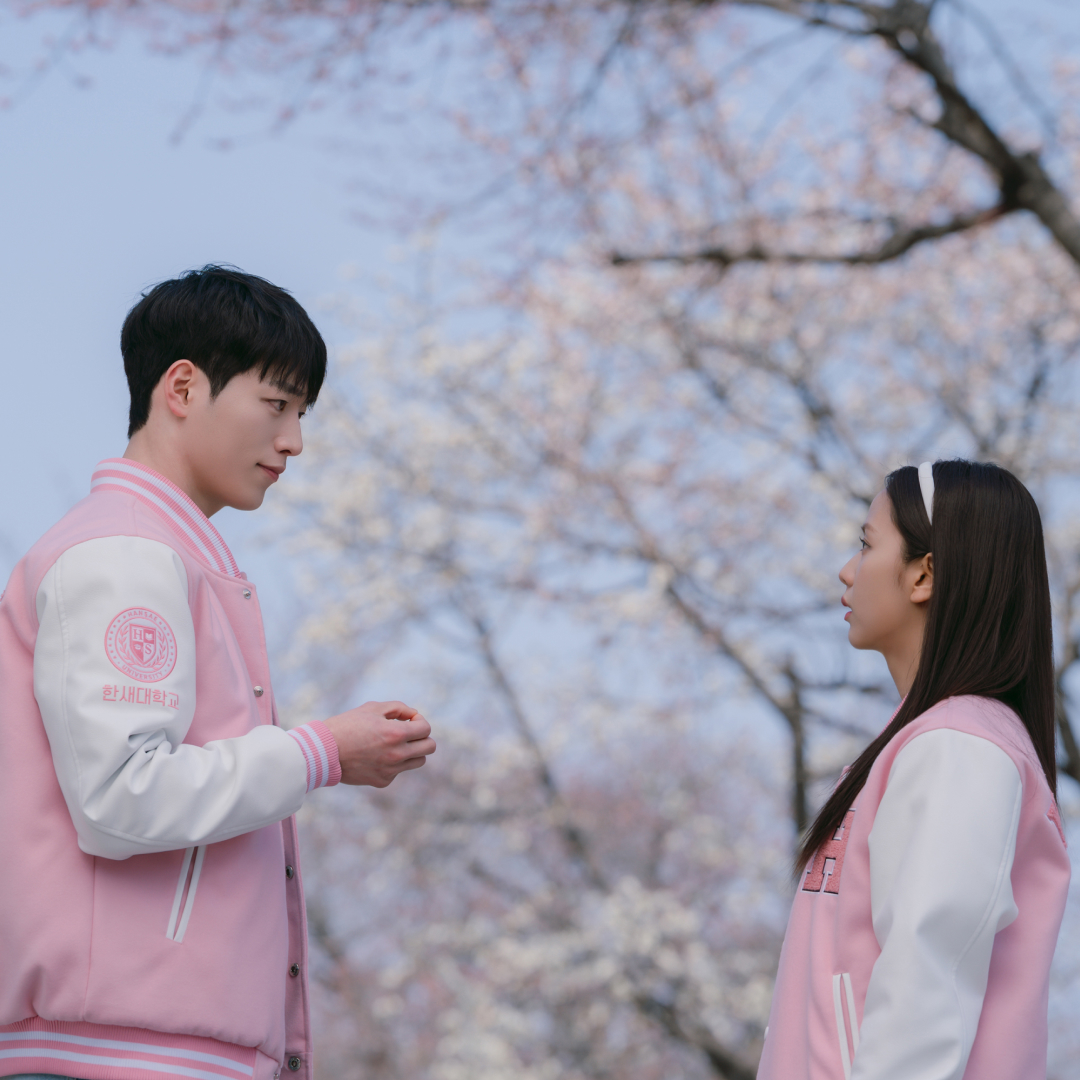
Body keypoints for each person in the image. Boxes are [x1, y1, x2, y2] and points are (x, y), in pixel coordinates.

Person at [0, 266, 436, 1080]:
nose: (294, 441)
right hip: (120, 1053)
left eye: (302, 414)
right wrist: (321, 752)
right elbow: (122, 794)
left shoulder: (165, 553)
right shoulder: (126, 553)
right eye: (276, 404)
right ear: (183, 388)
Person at [756, 459, 1070, 1080]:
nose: (847, 570)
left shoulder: (959, 748)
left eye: (867, 545)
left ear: (924, 573)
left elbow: (924, 1005)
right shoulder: (929, 742)